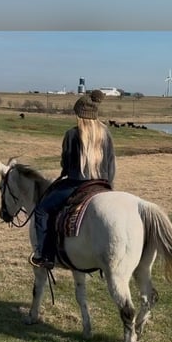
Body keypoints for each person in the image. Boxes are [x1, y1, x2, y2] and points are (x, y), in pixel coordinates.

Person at [29, 89, 116, 269]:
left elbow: (66, 165)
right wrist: (108, 186)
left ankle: (44, 255)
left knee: (42, 210)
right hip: (103, 184)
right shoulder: (106, 134)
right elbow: (111, 164)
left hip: (77, 184)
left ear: (80, 115)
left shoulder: (72, 134)